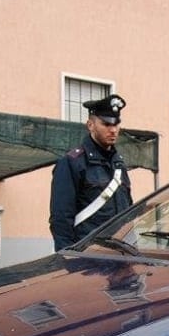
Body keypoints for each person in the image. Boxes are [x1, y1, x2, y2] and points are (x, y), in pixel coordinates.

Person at [49, 94, 133, 250]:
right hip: (87, 257)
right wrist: (68, 257)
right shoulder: (72, 162)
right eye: (106, 124)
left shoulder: (119, 165)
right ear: (90, 125)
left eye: (116, 124)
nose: (113, 130)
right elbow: (61, 218)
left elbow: (128, 213)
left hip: (120, 255)